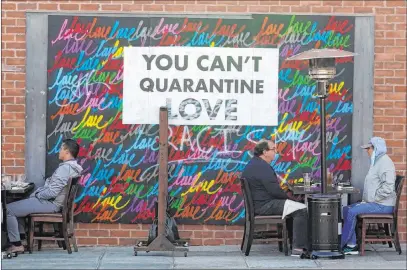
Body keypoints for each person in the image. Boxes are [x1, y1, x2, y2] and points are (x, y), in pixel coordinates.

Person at [6, 139, 83, 253]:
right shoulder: (72, 168)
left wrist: (37, 194)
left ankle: (17, 244)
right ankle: (22, 240)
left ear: (67, 151)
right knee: (20, 204)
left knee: (8, 210)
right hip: (54, 203)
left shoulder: (65, 169)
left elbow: (52, 193)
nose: (59, 151)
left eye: (61, 148)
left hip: (51, 204)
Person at [242, 139, 309, 258]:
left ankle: (293, 243)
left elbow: (273, 190)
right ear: (265, 152)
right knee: (301, 209)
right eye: (273, 149)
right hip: (265, 206)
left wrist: (289, 199)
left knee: (294, 208)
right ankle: (298, 248)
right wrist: (292, 199)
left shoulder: (255, 164)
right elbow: (275, 191)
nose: (275, 152)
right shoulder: (262, 167)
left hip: (261, 204)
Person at [341, 137, 396, 255]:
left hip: (382, 204)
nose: (367, 151)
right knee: (346, 209)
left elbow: (388, 187)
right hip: (374, 202)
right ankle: (352, 244)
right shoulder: (376, 161)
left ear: (376, 148)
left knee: (351, 212)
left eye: (368, 148)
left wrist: (375, 198)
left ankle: (342, 244)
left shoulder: (385, 163)